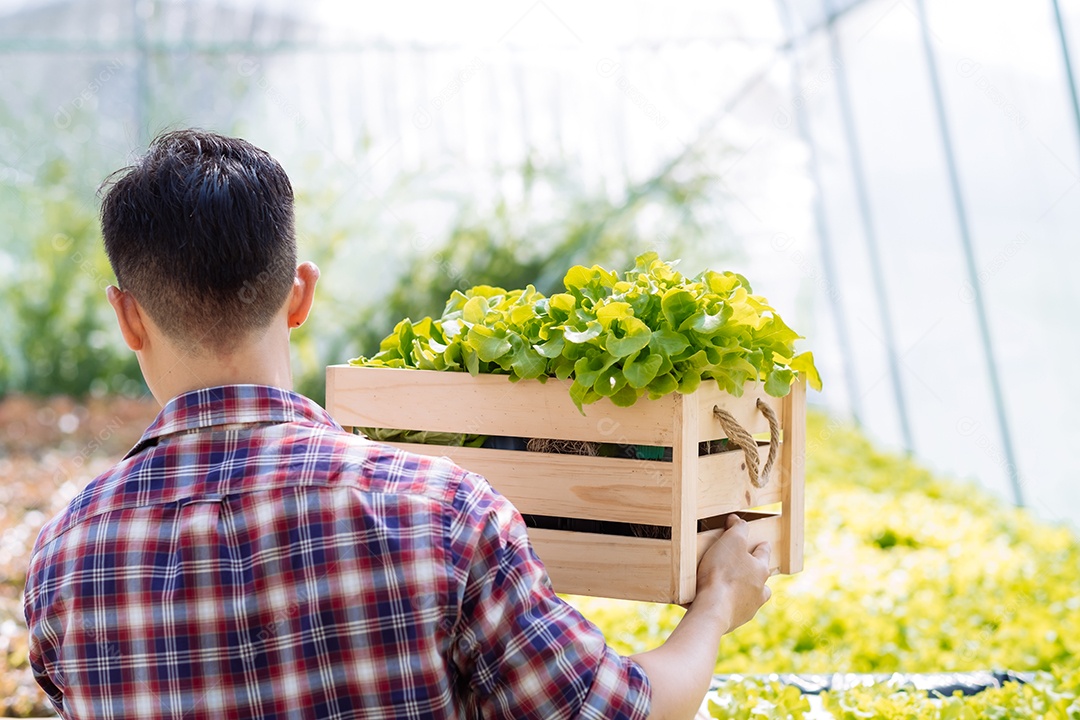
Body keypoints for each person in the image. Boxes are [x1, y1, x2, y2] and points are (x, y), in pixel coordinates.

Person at [24, 129, 772, 720]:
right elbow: (617, 711)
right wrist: (716, 604)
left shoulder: (65, 558)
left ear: (126, 316)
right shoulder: (442, 512)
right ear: (299, 295)